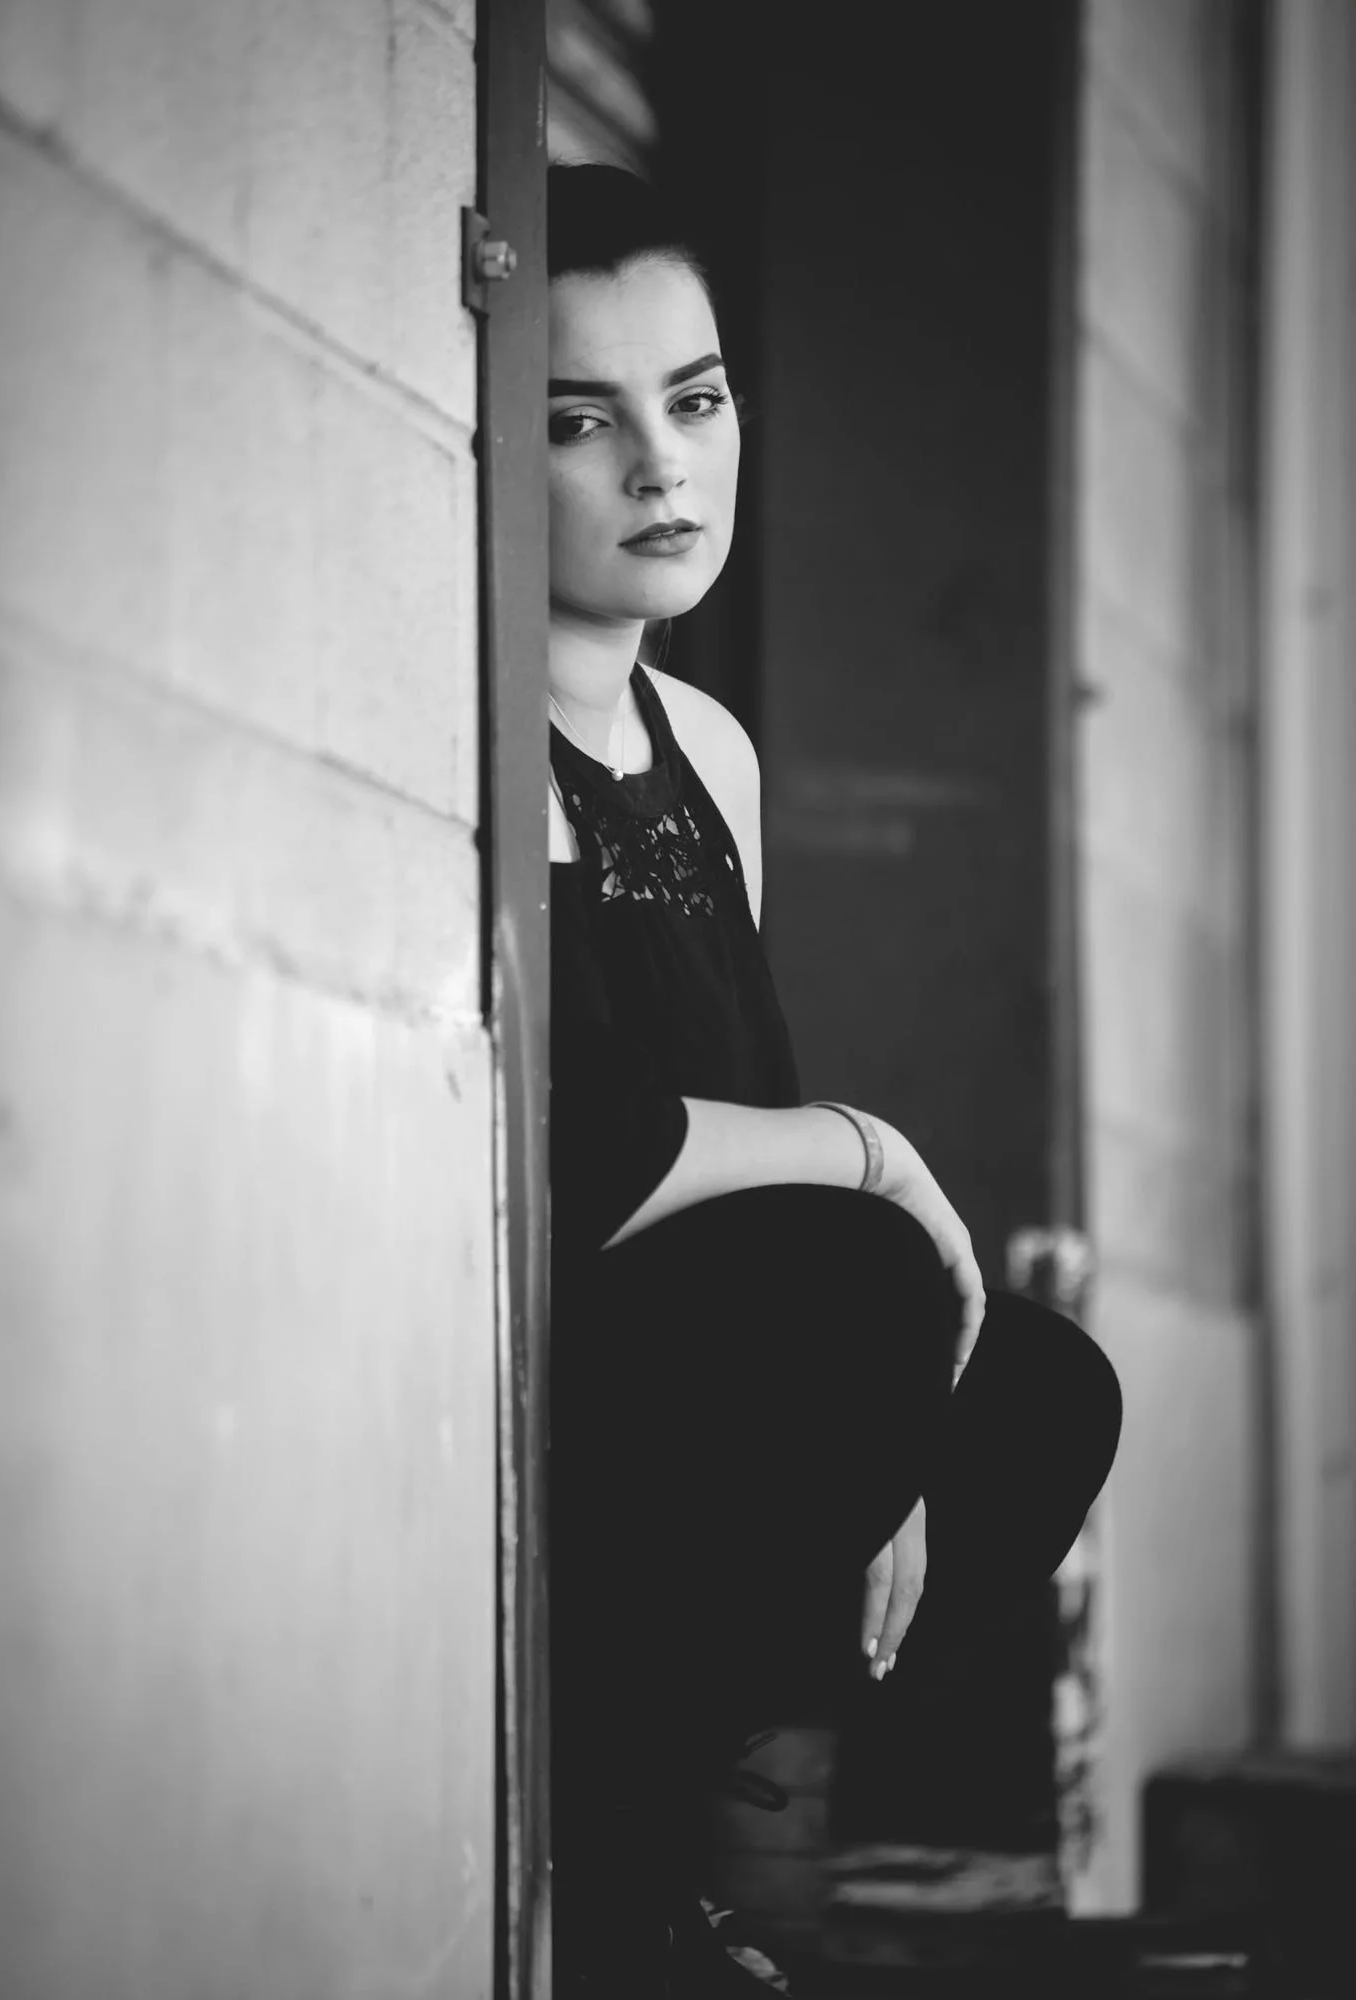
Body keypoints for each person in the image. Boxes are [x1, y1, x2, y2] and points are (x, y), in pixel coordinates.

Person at [544, 161, 1121, 1998]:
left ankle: (685, 1820)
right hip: (555, 1377)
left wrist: (882, 1437)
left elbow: (747, 1125)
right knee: (876, 1274)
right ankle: (619, 1870)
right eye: (582, 420)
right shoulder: (473, 733)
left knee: (1032, 1385)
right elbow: (596, 1151)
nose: (662, 468)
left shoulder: (704, 747)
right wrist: (877, 1158)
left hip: (720, 1379)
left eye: (695, 401)